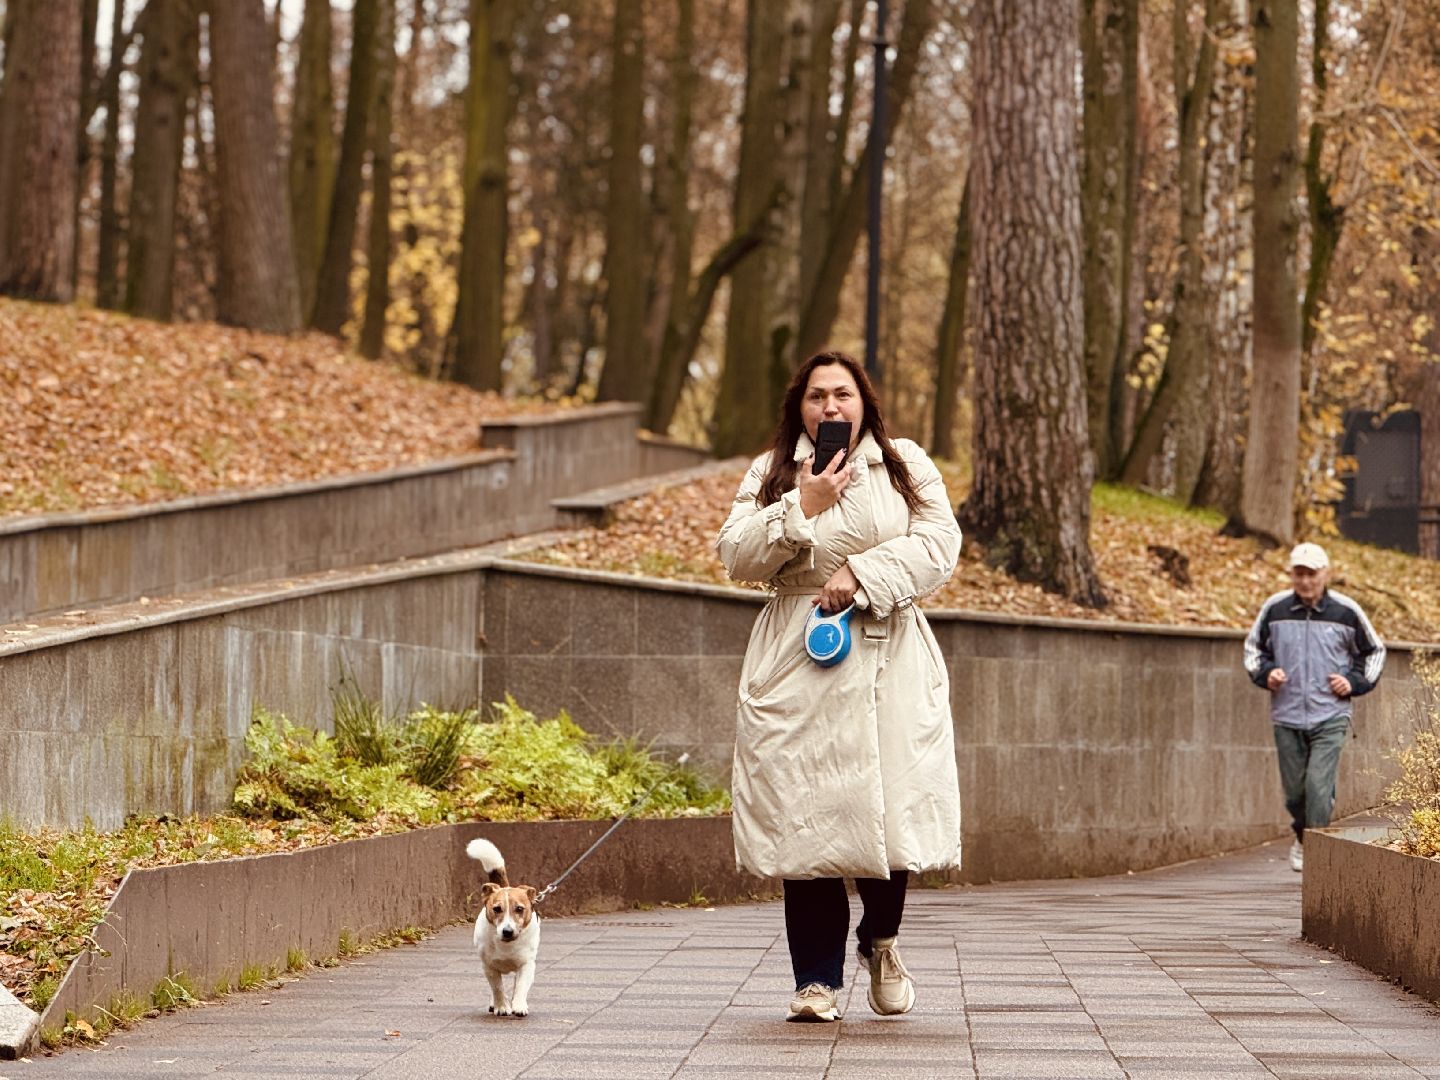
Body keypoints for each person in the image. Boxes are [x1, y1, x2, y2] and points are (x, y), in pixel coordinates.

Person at [715, 351, 963, 1023]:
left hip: (889, 653)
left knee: (893, 810)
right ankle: (816, 982)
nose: (830, 406)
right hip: (798, 658)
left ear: (864, 403)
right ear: (799, 407)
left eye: (843, 394)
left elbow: (940, 545)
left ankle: (881, 941)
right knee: (806, 820)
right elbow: (736, 555)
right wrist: (803, 504)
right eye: (817, 395)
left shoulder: (905, 464)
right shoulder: (771, 472)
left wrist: (862, 573)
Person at [1243, 542, 1386, 872]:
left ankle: (1316, 854)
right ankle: (1303, 835)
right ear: (1291, 575)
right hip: (1287, 714)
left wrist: (1353, 681)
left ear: (1325, 574)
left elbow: (1374, 651)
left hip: (1330, 714)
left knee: (1318, 787)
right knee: (1295, 793)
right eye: (1299, 574)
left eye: (1312, 574)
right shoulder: (1275, 609)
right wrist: (1267, 673)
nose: (1305, 581)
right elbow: (1253, 650)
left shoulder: (1346, 611)